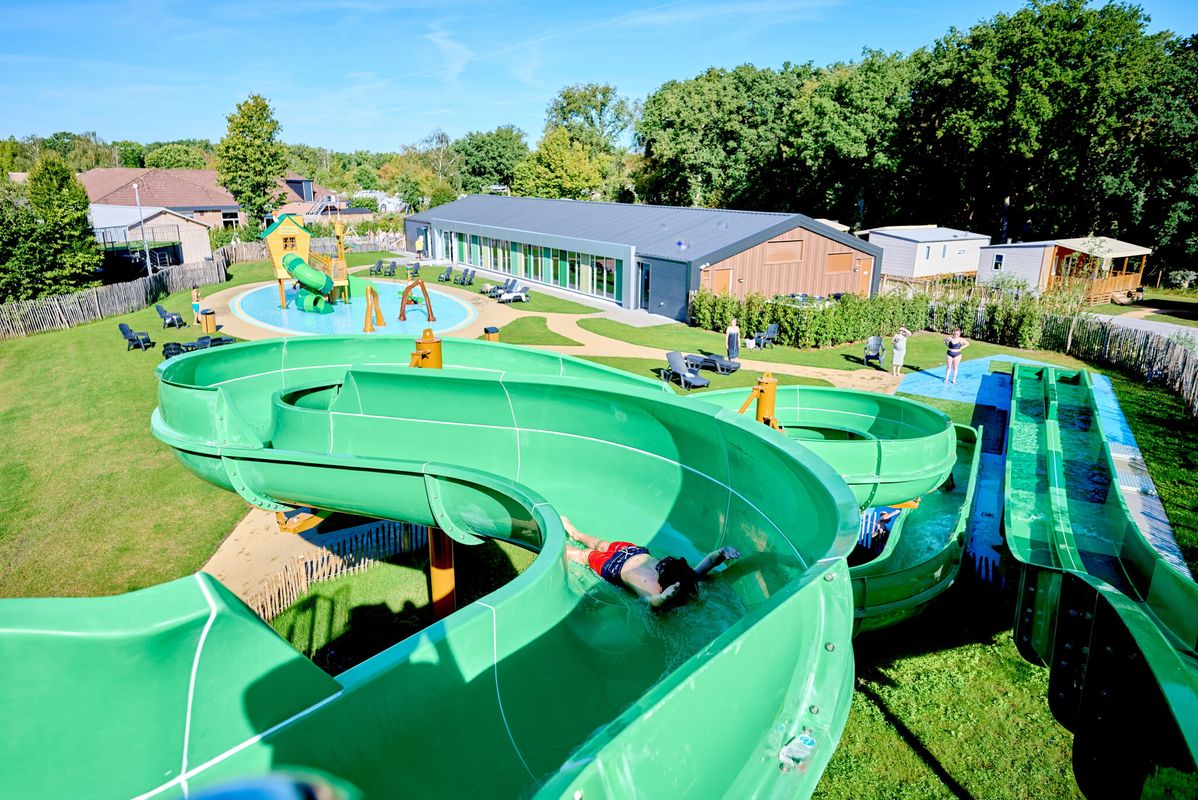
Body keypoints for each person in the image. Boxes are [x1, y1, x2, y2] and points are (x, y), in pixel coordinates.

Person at [562, 517, 740, 610]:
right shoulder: (685, 575)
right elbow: (707, 564)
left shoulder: (655, 590)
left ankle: (557, 547)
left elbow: (653, 602)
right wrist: (722, 552)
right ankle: (576, 534)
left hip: (613, 567)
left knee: (585, 555)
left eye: (661, 567)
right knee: (601, 544)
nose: (660, 564)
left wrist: (664, 598)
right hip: (633, 551)